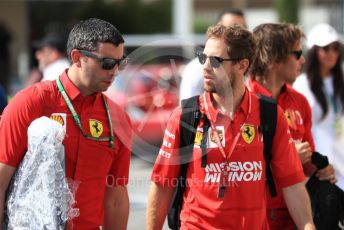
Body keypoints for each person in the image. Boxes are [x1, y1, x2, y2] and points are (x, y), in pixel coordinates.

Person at [146, 24, 315, 229]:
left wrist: (308, 226)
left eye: (215, 60)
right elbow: (162, 185)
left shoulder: (269, 114)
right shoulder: (185, 116)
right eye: (203, 58)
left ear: (242, 65)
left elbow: (292, 183)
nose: (206, 67)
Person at [0, 18, 132, 229]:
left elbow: (116, 197)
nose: (115, 71)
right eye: (107, 63)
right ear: (77, 57)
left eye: (120, 63)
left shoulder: (118, 119)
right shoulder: (31, 102)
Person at [248, 22, 337, 230]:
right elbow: (235, 170)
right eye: (297, 54)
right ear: (275, 59)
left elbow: (306, 164)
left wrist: (321, 168)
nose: (303, 59)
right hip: (253, 218)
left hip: (293, 217)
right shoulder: (243, 102)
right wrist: (286, 158)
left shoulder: (300, 102)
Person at [293, 23, 344, 190]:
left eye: (335, 48)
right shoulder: (302, 85)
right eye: (326, 48)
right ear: (315, 51)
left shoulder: (340, 80)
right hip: (319, 165)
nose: (332, 53)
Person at [179, 8, 247, 102]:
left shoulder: (248, 65)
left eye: (241, 28)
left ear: (243, 65)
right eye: (230, 27)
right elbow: (188, 111)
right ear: (219, 28)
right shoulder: (195, 70)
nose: (236, 33)